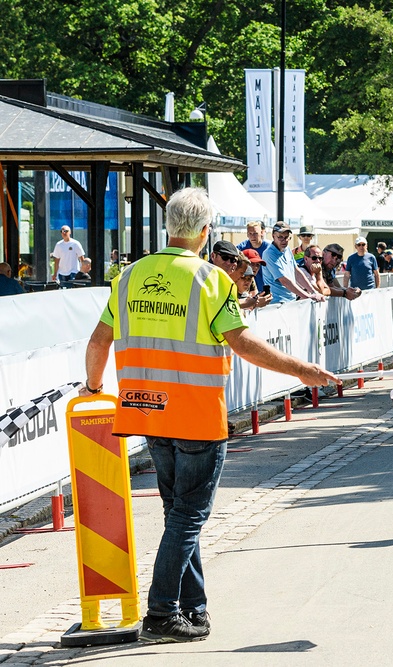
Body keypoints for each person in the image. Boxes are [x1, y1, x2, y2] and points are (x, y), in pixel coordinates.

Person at [82, 187, 339, 643]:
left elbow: (100, 341)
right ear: (205, 232)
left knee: (178, 515)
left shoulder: (128, 277)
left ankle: (193, 609)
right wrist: (303, 370)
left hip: (146, 412)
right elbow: (241, 343)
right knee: (187, 517)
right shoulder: (210, 279)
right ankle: (161, 613)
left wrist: (94, 389)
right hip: (196, 414)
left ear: (168, 227)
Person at [262, 221, 326, 304]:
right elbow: (284, 280)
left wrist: (313, 292)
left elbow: (296, 272)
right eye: (280, 237)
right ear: (273, 236)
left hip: (290, 301)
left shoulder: (287, 249)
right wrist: (308, 296)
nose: (284, 241)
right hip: (276, 303)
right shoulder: (269, 253)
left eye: (287, 237)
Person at [236, 221, 270, 292]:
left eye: (255, 233)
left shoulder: (269, 248)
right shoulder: (241, 248)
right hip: (247, 289)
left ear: (262, 233)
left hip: (265, 287)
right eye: (250, 233)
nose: (252, 236)